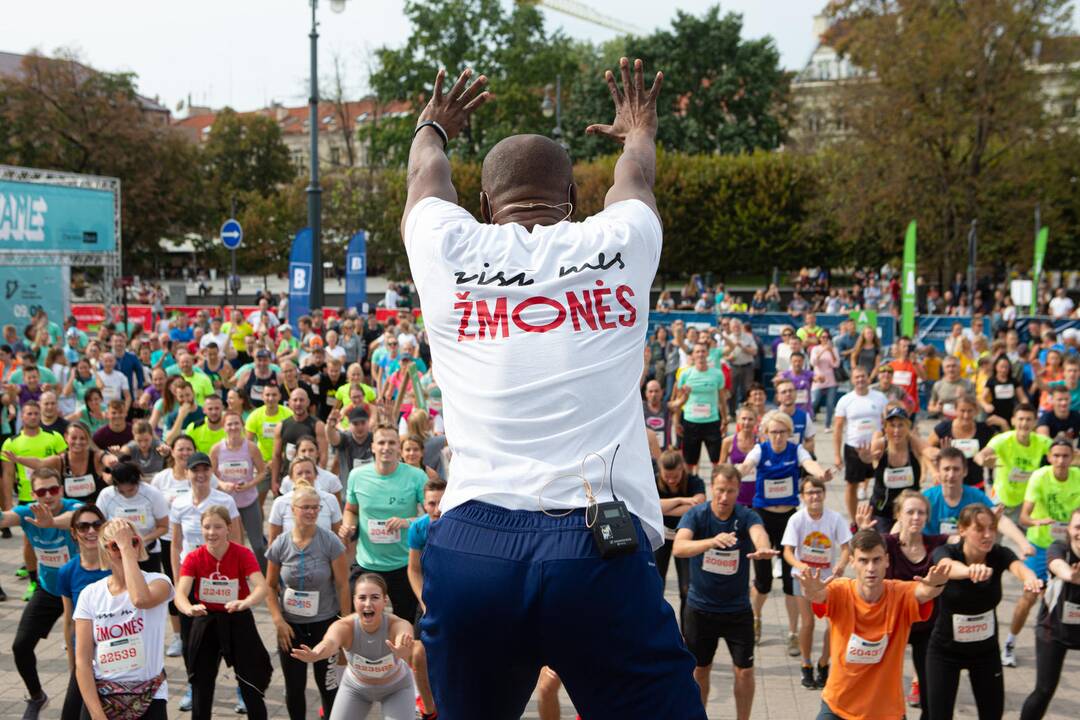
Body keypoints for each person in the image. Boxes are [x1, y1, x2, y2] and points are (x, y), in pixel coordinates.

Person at [402, 59, 704, 718]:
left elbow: (426, 172)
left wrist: (436, 122)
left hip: (473, 543)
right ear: (572, 197)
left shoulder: (448, 248)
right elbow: (637, 175)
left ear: (483, 207)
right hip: (598, 542)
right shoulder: (620, 240)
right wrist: (637, 130)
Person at [799, 528, 949, 720]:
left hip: (887, 712)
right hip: (838, 708)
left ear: (886, 560)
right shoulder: (840, 591)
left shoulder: (900, 593)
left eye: (876, 560)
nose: (871, 568)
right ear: (852, 562)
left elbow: (925, 592)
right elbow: (819, 596)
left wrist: (936, 584)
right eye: (863, 560)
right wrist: (811, 591)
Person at [672, 465, 777, 716]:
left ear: (738, 490)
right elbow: (679, 547)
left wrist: (762, 548)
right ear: (711, 488)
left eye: (730, 491)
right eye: (720, 490)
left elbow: (759, 533)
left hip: (737, 611)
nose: (724, 497)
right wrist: (711, 541)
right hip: (700, 610)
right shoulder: (696, 515)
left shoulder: (746, 515)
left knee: (745, 671)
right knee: (700, 670)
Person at [926, 503, 1043, 720]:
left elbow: (1017, 566)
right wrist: (970, 570)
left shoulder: (999, 554)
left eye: (992, 528)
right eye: (979, 529)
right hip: (945, 652)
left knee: (992, 715)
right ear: (962, 530)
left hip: (985, 653)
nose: (988, 535)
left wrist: (1030, 578)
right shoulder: (947, 552)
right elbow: (946, 567)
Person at [735, 410, 833, 653]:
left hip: (789, 518)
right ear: (766, 433)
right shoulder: (761, 450)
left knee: (792, 581)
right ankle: (756, 618)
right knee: (764, 581)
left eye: (782, 432)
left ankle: (792, 632)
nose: (778, 437)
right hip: (764, 517)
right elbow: (747, 465)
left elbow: (808, 463)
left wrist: (820, 473)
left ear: (789, 433)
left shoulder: (795, 449)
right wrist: (734, 473)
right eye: (774, 432)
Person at [174, 505, 273, 719]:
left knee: (250, 682)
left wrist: (246, 602)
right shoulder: (194, 557)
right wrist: (189, 608)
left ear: (228, 528)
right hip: (205, 619)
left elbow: (261, 587)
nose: (212, 532)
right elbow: (180, 593)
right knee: (201, 683)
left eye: (218, 527)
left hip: (238, 617)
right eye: (207, 527)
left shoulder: (242, 553)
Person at [73, 519, 174, 720]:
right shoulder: (90, 594)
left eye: (133, 542)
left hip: (148, 696)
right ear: (105, 550)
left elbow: (140, 599)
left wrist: (126, 549)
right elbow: (83, 661)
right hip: (103, 695)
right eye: (115, 545)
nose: (123, 549)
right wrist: (97, 714)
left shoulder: (159, 582)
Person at [0, 467, 80, 719]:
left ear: (62, 490)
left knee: (82, 653)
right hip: (47, 590)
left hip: (79, 591)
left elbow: (78, 518)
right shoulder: (28, 512)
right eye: (42, 491)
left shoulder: (73, 506)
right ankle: (37, 696)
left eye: (53, 489)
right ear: (33, 494)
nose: (48, 496)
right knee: (20, 646)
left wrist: (51, 522)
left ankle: (85, 702)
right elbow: (5, 518)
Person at [265, 485, 351, 720]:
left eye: (316, 507)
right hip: (290, 628)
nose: (311, 512)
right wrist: (278, 620)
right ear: (293, 509)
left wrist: (344, 627)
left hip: (325, 624)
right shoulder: (281, 544)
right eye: (305, 507)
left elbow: (343, 585)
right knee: (294, 688)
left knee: (328, 687)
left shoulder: (330, 541)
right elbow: (270, 586)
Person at [168, 452, 242, 712]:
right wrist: (179, 585)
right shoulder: (178, 503)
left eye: (204, 469)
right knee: (192, 641)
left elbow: (239, 542)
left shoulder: (225, 501)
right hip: (192, 581)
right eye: (194, 470)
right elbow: (176, 545)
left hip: (222, 582)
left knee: (232, 638)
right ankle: (193, 684)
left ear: (211, 472)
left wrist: (239, 583)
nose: (200, 475)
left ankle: (242, 687)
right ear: (186, 472)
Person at [290, 573, 416, 719]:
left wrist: (403, 648)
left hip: (396, 689)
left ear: (385, 600)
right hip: (356, 689)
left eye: (375, 597)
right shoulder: (344, 626)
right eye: (362, 598)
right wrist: (316, 654)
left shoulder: (398, 624)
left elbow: (405, 637)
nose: (368, 604)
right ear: (354, 600)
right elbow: (329, 643)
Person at [986, 403, 1053, 666]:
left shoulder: (1042, 443)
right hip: (1002, 505)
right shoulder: (1004, 438)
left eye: (1029, 419)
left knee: (1028, 563)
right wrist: (985, 459)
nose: (1024, 424)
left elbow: (1065, 454)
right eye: (1020, 419)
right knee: (991, 555)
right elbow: (984, 454)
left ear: (1034, 422)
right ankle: (985, 591)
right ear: (1014, 420)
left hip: (1028, 507)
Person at [338, 426, 425, 622]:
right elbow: (351, 510)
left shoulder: (416, 476)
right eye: (381, 442)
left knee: (407, 623)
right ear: (373, 447)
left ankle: (403, 653)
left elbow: (434, 516)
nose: (386, 447)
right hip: (368, 563)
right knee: (359, 619)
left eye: (392, 442)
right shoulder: (357, 476)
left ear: (399, 448)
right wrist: (348, 525)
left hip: (404, 564)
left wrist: (407, 522)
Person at [782, 477, 851, 690]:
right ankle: (806, 664)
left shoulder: (835, 518)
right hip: (803, 578)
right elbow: (787, 551)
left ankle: (823, 663)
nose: (815, 496)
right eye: (810, 493)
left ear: (824, 494)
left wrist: (840, 564)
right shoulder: (796, 519)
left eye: (818, 492)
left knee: (832, 625)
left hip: (828, 579)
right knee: (808, 623)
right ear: (802, 497)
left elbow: (847, 547)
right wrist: (800, 565)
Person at [1019, 507, 1080, 719]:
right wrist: (1071, 576)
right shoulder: (1059, 548)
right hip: (1053, 629)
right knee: (1044, 690)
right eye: (1077, 527)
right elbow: (1057, 566)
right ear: (1069, 530)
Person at [57, 505, 111, 720]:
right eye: (83, 526)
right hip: (86, 656)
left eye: (96, 525)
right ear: (73, 532)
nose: (91, 531)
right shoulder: (67, 571)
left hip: (116, 654)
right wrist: (73, 663)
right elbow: (70, 622)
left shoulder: (118, 565)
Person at [406, 478, 446, 720]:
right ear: (424, 504)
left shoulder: (455, 524)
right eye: (432, 503)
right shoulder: (419, 528)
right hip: (429, 597)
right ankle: (428, 709)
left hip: (456, 597)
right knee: (419, 653)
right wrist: (424, 601)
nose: (437, 509)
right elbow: (413, 569)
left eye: (441, 503)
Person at [653, 449, 706, 623]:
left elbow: (698, 505)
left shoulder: (694, 481)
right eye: (666, 476)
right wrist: (681, 500)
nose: (670, 480)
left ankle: (686, 633)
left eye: (675, 476)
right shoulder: (653, 481)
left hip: (685, 539)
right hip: (661, 538)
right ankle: (658, 629)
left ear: (682, 469)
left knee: (686, 589)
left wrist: (665, 507)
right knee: (656, 587)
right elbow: (652, 505)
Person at [210, 411, 267, 571]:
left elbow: (262, 472)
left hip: (249, 500)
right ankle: (235, 573)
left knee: (258, 544)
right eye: (229, 424)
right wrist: (222, 484)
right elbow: (211, 476)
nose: (233, 427)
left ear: (242, 426)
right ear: (224, 427)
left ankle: (267, 577)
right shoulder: (216, 450)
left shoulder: (250, 447)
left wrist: (249, 484)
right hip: (226, 504)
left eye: (236, 423)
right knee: (233, 544)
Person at [833, 366, 889, 526]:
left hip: (877, 449)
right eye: (856, 377)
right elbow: (837, 429)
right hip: (853, 449)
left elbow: (887, 423)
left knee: (882, 483)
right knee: (852, 486)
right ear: (852, 380)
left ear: (868, 378)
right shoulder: (845, 400)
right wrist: (837, 455)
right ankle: (854, 521)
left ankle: (879, 517)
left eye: (863, 376)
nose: (860, 380)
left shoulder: (880, 398)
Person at [95, 462, 170, 573]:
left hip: (147, 551)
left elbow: (164, 527)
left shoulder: (153, 494)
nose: (126, 494)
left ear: (138, 483)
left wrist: (141, 540)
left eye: (131, 490)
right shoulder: (106, 495)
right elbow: (99, 526)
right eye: (121, 491)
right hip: (117, 552)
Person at [864, 406, 925, 534]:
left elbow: (928, 451)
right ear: (886, 428)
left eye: (901, 425)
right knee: (886, 543)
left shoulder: (913, 444)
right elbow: (869, 458)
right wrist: (865, 456)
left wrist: (936, 467)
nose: (896, 430)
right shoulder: (880, 444)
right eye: (892, 425)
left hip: (909, 510)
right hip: (882, 510)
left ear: (908, 427)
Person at [671, 341, 728, 474]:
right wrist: (676, 422)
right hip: (691, 423)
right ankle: (690, 490)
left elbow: (722, 399)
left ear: (707, 353)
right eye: (697, 351)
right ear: (693, 355)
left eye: (703, 351)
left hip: (712, 422)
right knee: (689, 464)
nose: (701, 354)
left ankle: (716, 491)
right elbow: (678, 402)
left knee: (717, 462)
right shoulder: (685, 374)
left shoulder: (717, 374)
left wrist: (725, 419)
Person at [927, 395, 999, 488]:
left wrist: (1003, 424)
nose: (966, 415)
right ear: (955, 410)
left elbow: (1002, 447)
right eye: (962, 411)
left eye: (970, 411)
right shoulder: (943, 429)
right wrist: (934, 472)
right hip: (948, 485)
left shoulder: (984, 429)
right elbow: (925, 451)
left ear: (976, 411)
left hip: (975, 485)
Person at [268, 458, 343, 544]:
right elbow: (273, 542)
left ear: (316, 475)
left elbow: (338, 537)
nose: (304, 476)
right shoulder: (280, 502)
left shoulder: (330, 499)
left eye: (308, 472)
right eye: (299, 473)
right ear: (291, 478)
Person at [719, 404, 759, 508]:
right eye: (743, 419)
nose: (746, 422)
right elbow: (720, 469)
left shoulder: (762, 441)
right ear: (738, 420)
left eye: (750, 419)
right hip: (736, 495)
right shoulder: (728, 442)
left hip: (758, 495)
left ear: (756, 421)